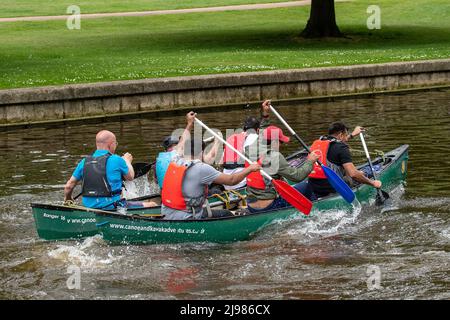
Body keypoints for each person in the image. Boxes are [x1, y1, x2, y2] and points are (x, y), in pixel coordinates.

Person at [161, 137, 261, 220]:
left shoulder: (174, 160)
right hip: (186, 216)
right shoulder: (201, 168)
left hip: (167, 212)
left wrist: (190, 123)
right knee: (227, 214)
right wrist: (250, 169)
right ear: (201, 152)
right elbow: (232, 180)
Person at [64, 130, 157, 210]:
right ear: (111, 144)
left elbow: (69, 186)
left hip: (89, 207)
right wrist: (127, 161)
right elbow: (130, 177)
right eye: (115, 144)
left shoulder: (84, 162)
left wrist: (68, 199)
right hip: (112, 207)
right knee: (153, 204)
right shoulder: (117, 159)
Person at [245, 123, 320, 213]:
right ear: (275, 142)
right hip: (270, 207)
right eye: (281, 142)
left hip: (251, 206)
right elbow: (297, 177)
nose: (281, 145)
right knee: (306, 185)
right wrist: (310, 161)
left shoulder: (248, 150)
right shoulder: (275, 156)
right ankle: (316, 209)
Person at [297, 121, 382, 200]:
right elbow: (353, 174)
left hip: (314, 186)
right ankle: (367, 174)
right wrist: (372, 183)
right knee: (362, 174)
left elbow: (337, 142)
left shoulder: (319, 142)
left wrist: (352, 135)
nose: (346, 138)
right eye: (346, 135)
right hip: (331, 187)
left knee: (352, 172)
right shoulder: (342, 148)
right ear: (341, 135)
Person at [154, 112, 195, 189]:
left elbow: (156, 181)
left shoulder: (158, 161)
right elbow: (184, 140)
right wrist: (189, 123)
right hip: (179, 194)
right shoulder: (176, 155)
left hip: (165, 194)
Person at [221, 116, 260, 190]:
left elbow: (222, 161)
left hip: (226, 182)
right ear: (258, 130)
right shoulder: (256, 137)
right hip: (241, 183)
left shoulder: (231, 138)